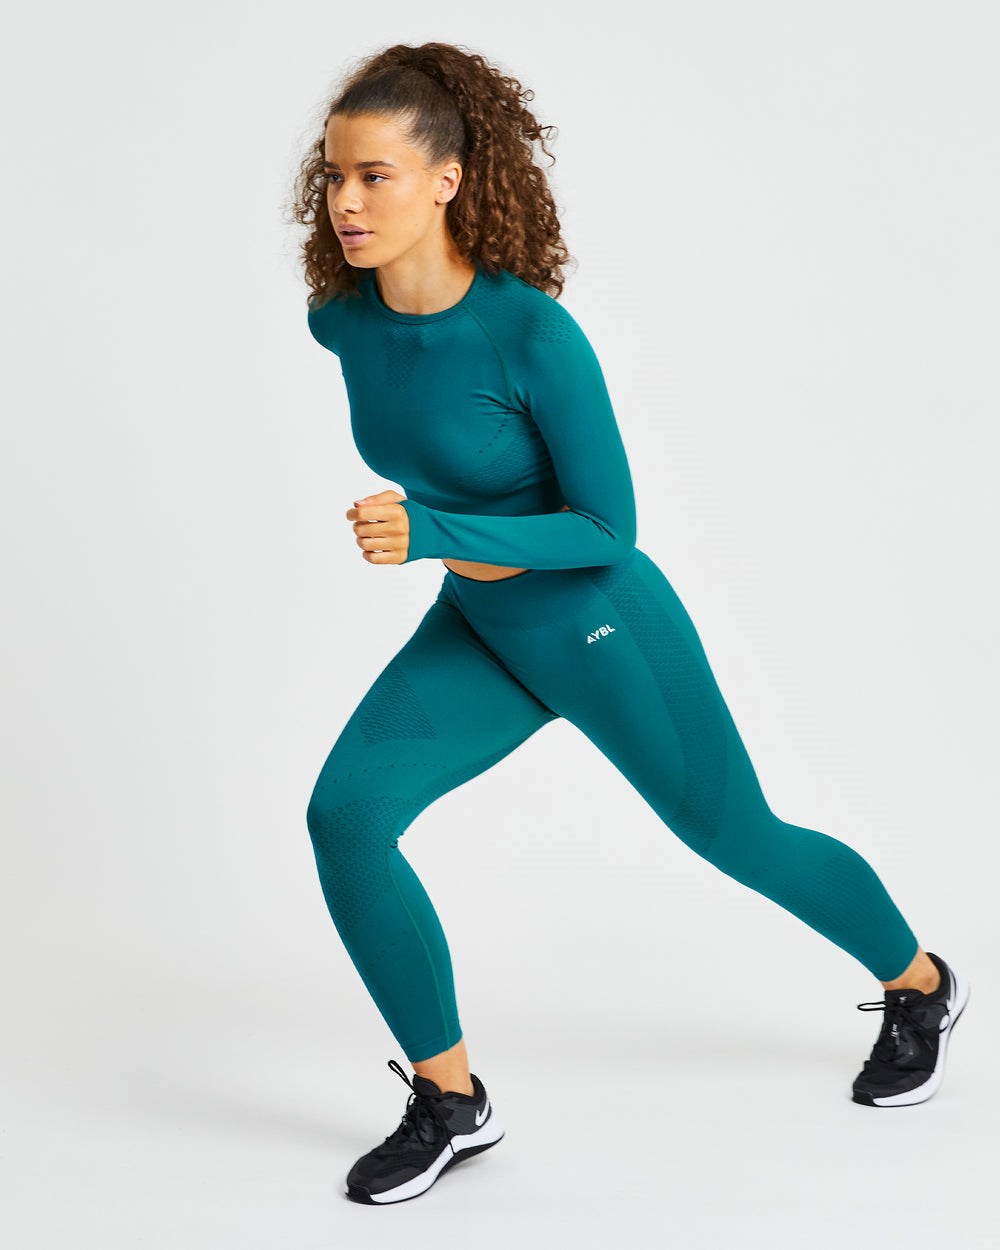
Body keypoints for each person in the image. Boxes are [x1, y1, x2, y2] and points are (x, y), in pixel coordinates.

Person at [291, 41, 970, 1206]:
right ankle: (453, 1099)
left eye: (375, 176)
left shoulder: (531, 335)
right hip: (483, 629)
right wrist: (447, 544)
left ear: (446, 180)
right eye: (335, 176)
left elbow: (607, 527)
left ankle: (919, 981)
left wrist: (435, 528)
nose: (346, 201)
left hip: (598, 622)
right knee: (345, 817)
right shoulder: (340, 321)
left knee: (736, 835)